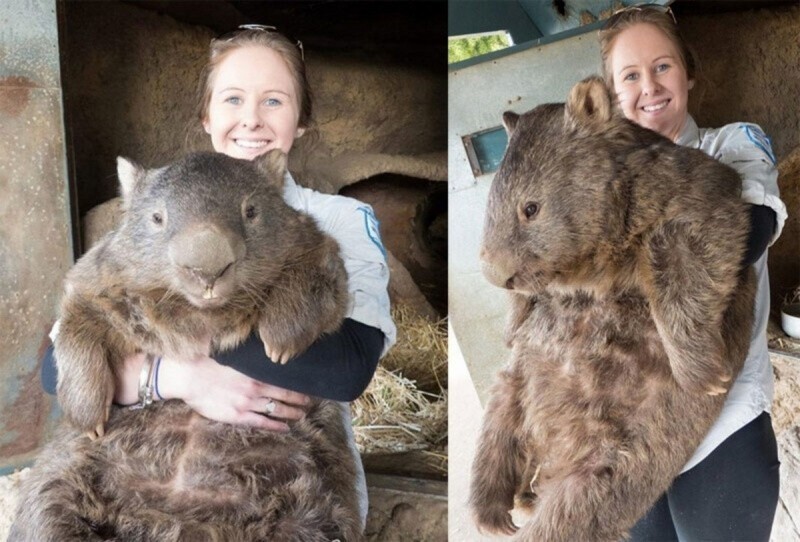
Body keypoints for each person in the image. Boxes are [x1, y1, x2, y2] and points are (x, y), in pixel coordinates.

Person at [41, 25, 397, 531]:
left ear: (301, 121)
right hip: (125, 476)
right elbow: (59, 368)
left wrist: (171, 337)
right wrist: (179, 378)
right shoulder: (153, 199)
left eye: (274, 101)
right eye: (233, 98)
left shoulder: (338, 217)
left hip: (274, 484)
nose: (251, 118)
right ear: (207, 115)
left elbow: (345, 369)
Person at [598, 5, 787, 540]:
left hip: (721, 431)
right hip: (629, 439)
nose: (649, 86)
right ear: (611, 95)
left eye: (663, 67)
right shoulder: (603, 181)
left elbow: (748, 230)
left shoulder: (733, 145)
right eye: (630, 76)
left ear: (688, 73)